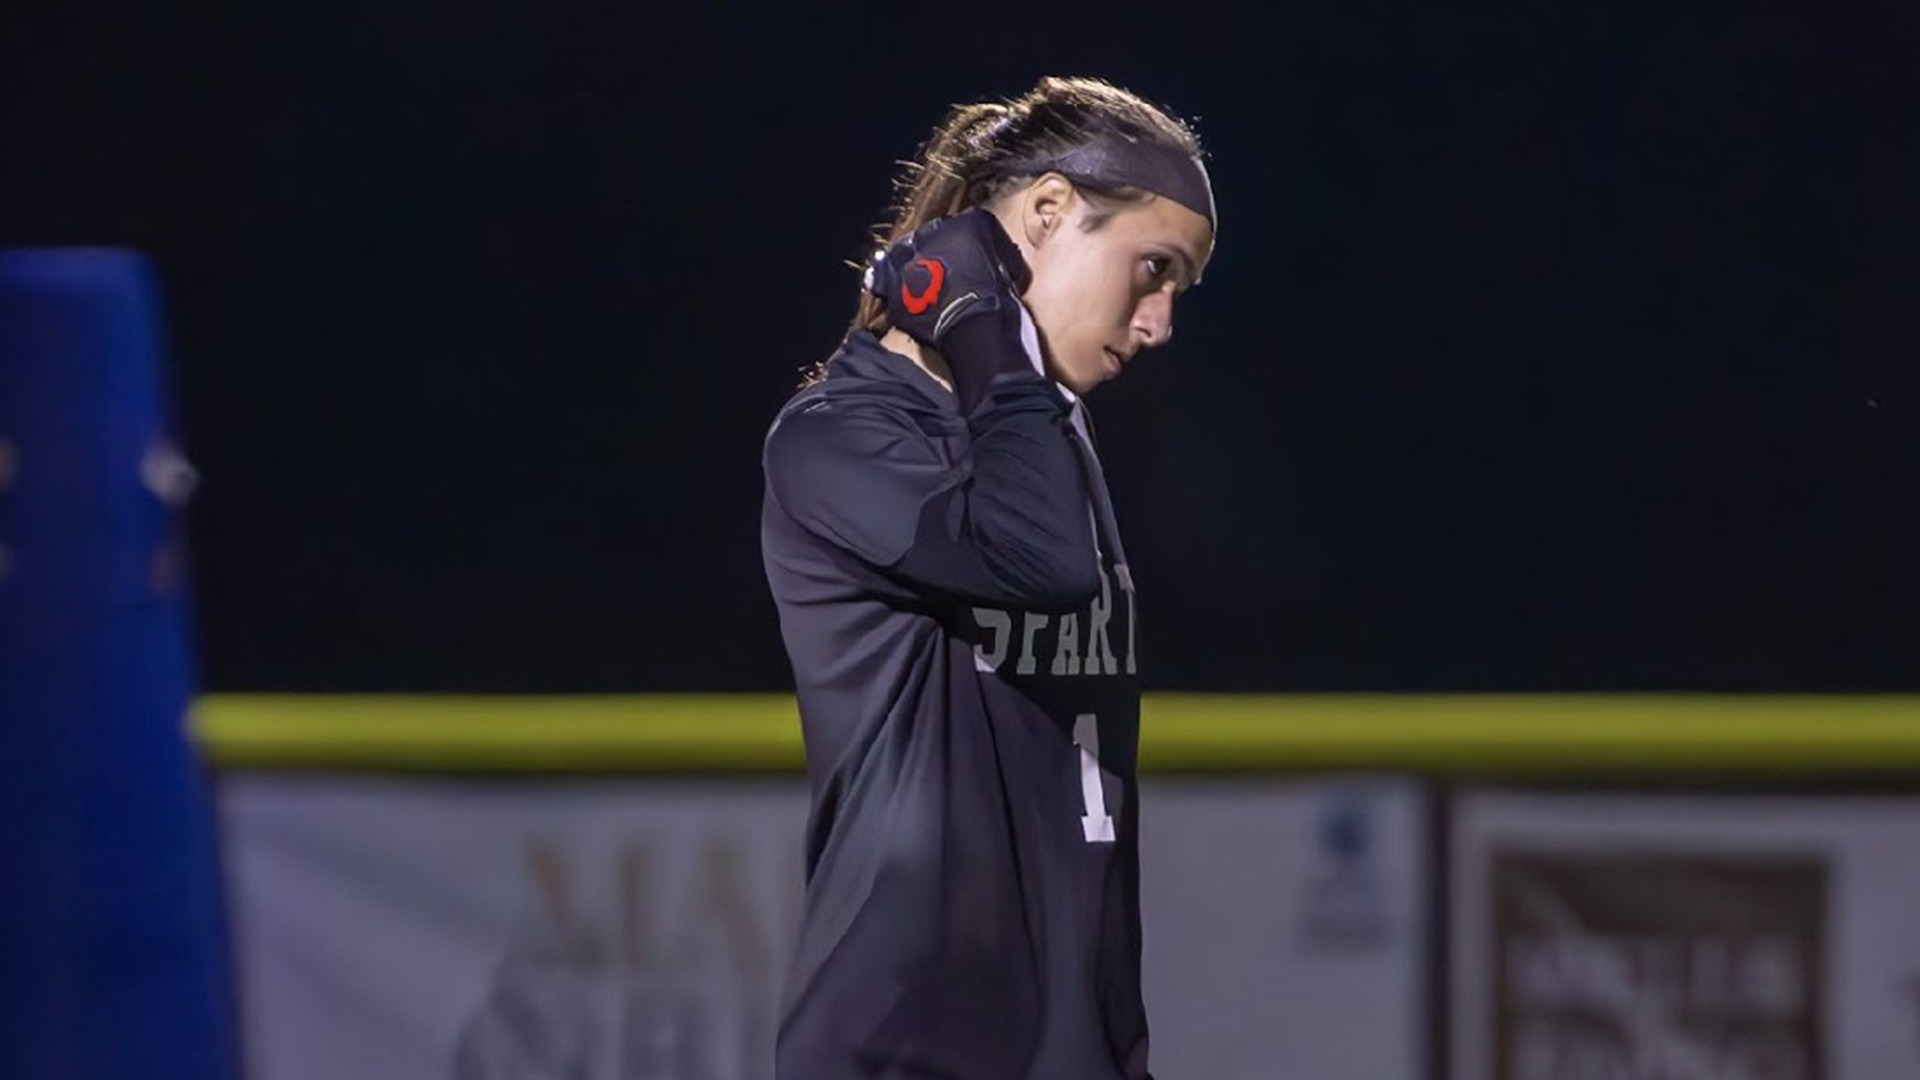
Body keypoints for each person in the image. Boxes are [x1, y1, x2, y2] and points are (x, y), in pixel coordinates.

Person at [760, 75, 1215, 1080]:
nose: (1159, 321)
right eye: (1151, 269)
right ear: (1049, 211)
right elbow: (1041, 567)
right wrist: (980, 322)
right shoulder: (840, 438)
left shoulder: (1046, 437)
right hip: (909, 1051)